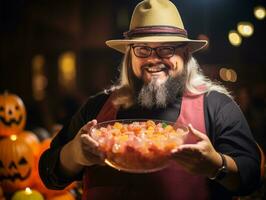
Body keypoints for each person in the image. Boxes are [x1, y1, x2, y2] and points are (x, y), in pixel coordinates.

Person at [39, 0, 262, 199]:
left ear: (184, 55)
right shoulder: (97, 107)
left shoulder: (216, 106)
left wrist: (215, 165)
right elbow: (48, 173)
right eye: (143, 49)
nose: (154, 59)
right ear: (130, 56)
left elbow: (251, 176)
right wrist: (74, 154)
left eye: (167, 49)